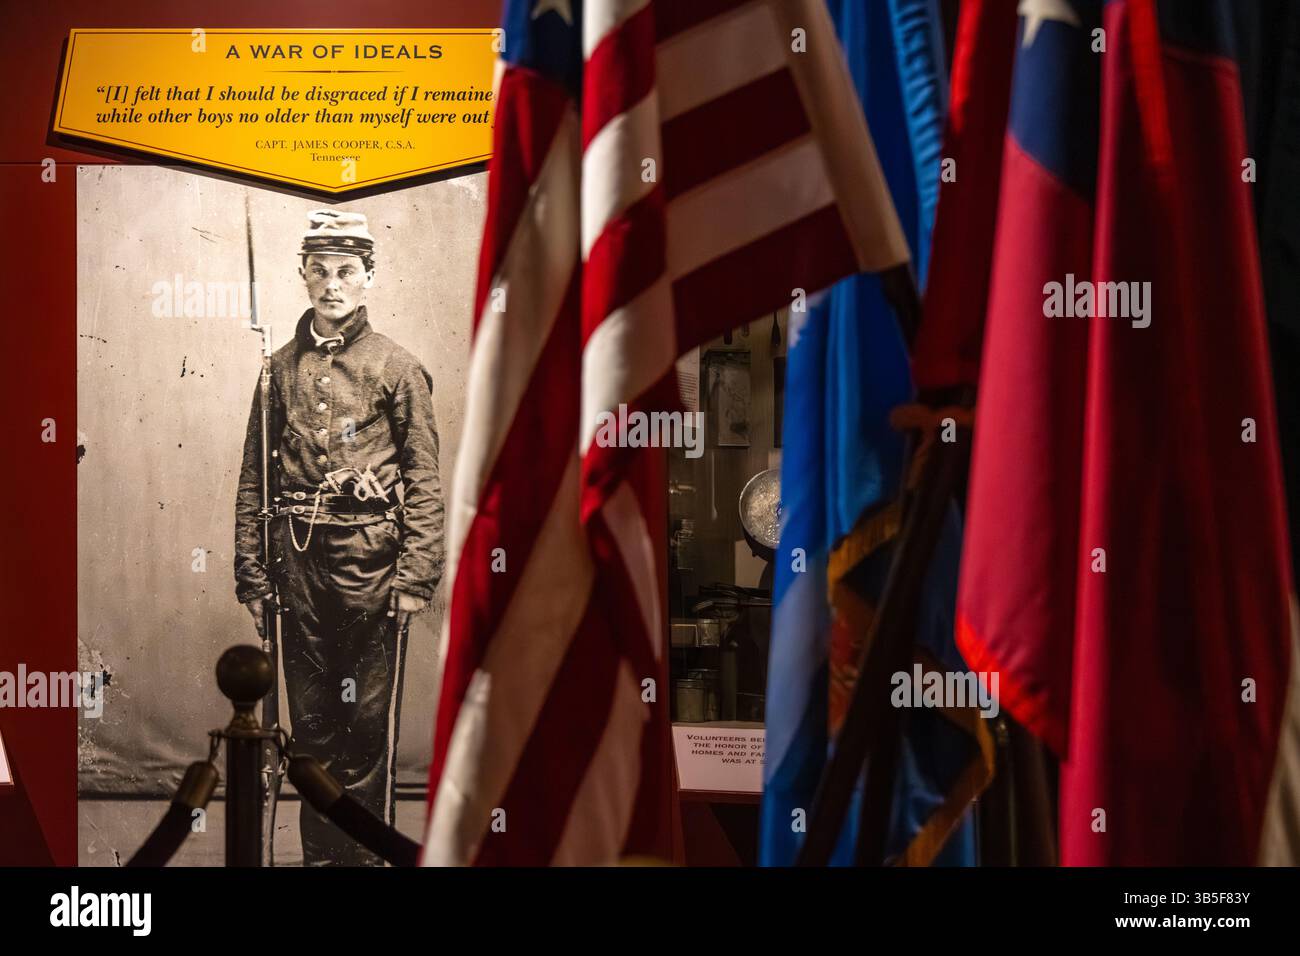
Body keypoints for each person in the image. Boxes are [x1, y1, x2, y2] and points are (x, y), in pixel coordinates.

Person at [233, 209, 444, 866]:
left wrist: (416, 576)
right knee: (312, 729)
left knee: (363, 731)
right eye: (319, 271)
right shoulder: (276, 370)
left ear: (369, 277)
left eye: (346, 271)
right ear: (302, 274)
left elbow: (424, 479)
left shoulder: (397, 368)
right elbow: (253, 479)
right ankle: (322, 861)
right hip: (296, 570)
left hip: (373, 570)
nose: (332, 285)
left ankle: (364, 859)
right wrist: (251, 572)